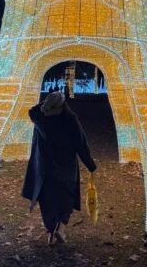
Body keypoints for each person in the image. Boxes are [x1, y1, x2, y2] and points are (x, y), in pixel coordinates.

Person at [21, 91, 97, 245]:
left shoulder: (39, 118)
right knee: (66, 198)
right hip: (66, 166)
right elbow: (80, 143)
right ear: (63, 105)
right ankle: (60, 228)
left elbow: (34, 111)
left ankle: (50, 231)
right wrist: (90, 164)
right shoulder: (69, 119)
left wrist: (45, 103)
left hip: (44, 168)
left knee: (47, 201)